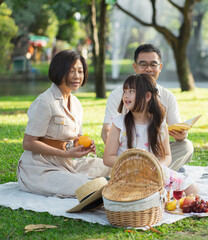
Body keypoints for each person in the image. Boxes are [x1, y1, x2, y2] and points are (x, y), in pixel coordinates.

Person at [17, 50, 111, 198]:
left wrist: (82, 144)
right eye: (71, 71)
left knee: (112, 166)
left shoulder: (76, 103)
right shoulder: (45, 102)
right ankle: (113, 192)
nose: (77, 76)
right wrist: (66, 153)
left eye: (80, 71)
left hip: (66, 165)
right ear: (59, 71)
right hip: (39, 169)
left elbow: (73, 137)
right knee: (88, 186)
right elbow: (28, 143)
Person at [101, 44, 193, 172]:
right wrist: (124, 154)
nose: (148, 69)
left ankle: (156, 173)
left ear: (160, 67)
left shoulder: (168, 96)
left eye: (153, 65)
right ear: (135, 66)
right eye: (143, 64)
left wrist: (182, 135)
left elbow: (174, 131)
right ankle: (157, 173)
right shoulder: (119, 95)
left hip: (154, 152)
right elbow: (106, 130)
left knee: (186, 146)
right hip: (127, 154)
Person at [103, 74, 198, 195]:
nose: (126, 95)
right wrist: (133, 166)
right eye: (124, 91)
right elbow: (107, 158)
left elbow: (167, 156)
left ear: (147, 96)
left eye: (131, 91)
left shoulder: (159, 124)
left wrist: (157, 167)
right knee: (137, 195)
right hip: (127, 175)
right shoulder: (118, 124)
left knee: (192, 188)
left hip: (154, 173)